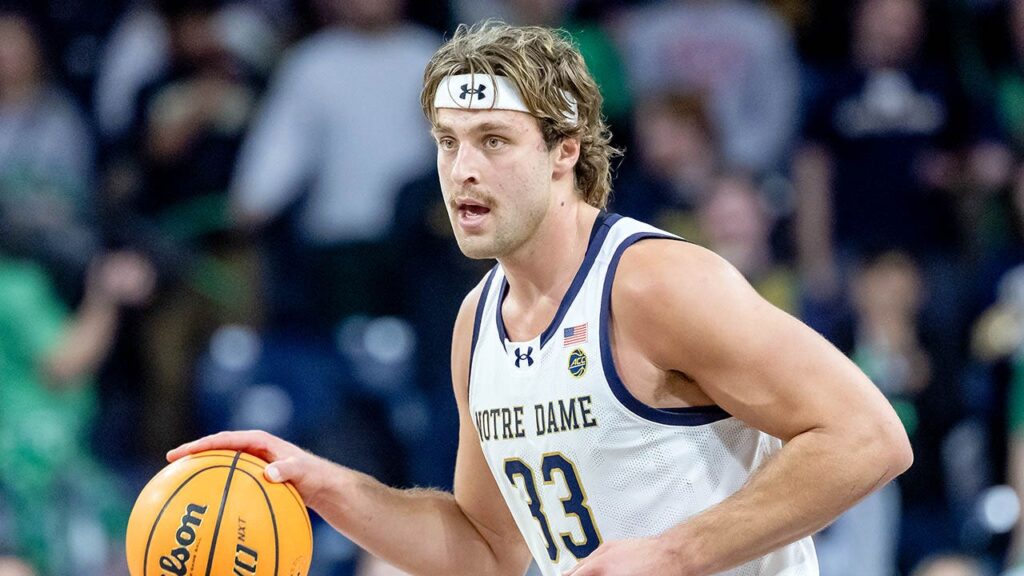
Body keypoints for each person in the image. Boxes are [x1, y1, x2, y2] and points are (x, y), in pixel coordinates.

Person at [169, 22, 912, 576]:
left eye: (493, 140)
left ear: (565, 151)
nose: (462, 169)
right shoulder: (476, 324)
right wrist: (323, 485)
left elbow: (868, 437)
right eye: (448, 141)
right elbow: (487, 550)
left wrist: (677, 554)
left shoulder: (654, 282)